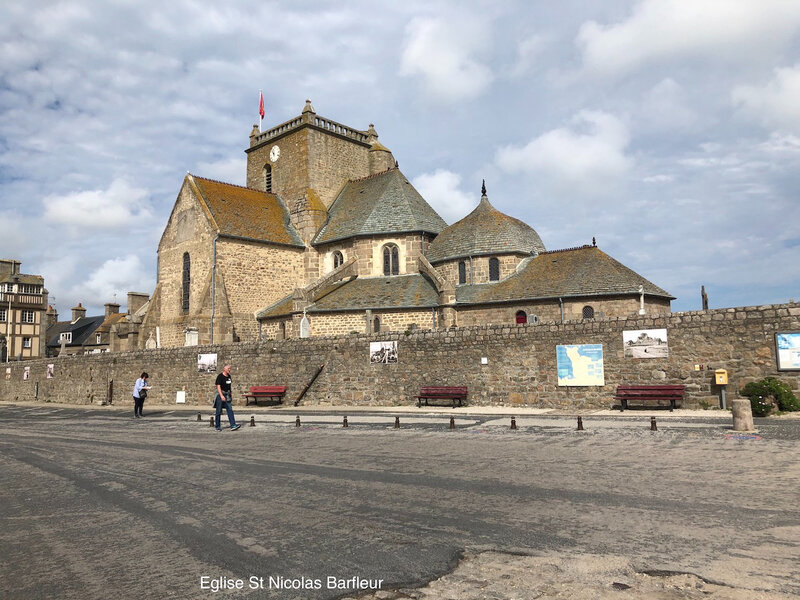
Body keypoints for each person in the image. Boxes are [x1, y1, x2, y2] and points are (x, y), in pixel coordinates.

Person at [214, 364, 241, 432]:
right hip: (221, 395)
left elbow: (229, 386)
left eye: (230, 369)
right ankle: (217, 426)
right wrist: (221, 396)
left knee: (230, 410)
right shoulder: (220, 376)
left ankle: (233, 425)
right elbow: (218, 387)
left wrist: (230, 394)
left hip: (227, 395)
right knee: (218, 411)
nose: (229, 370)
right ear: (225, 369)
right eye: (228, 368)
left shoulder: (229, 376)